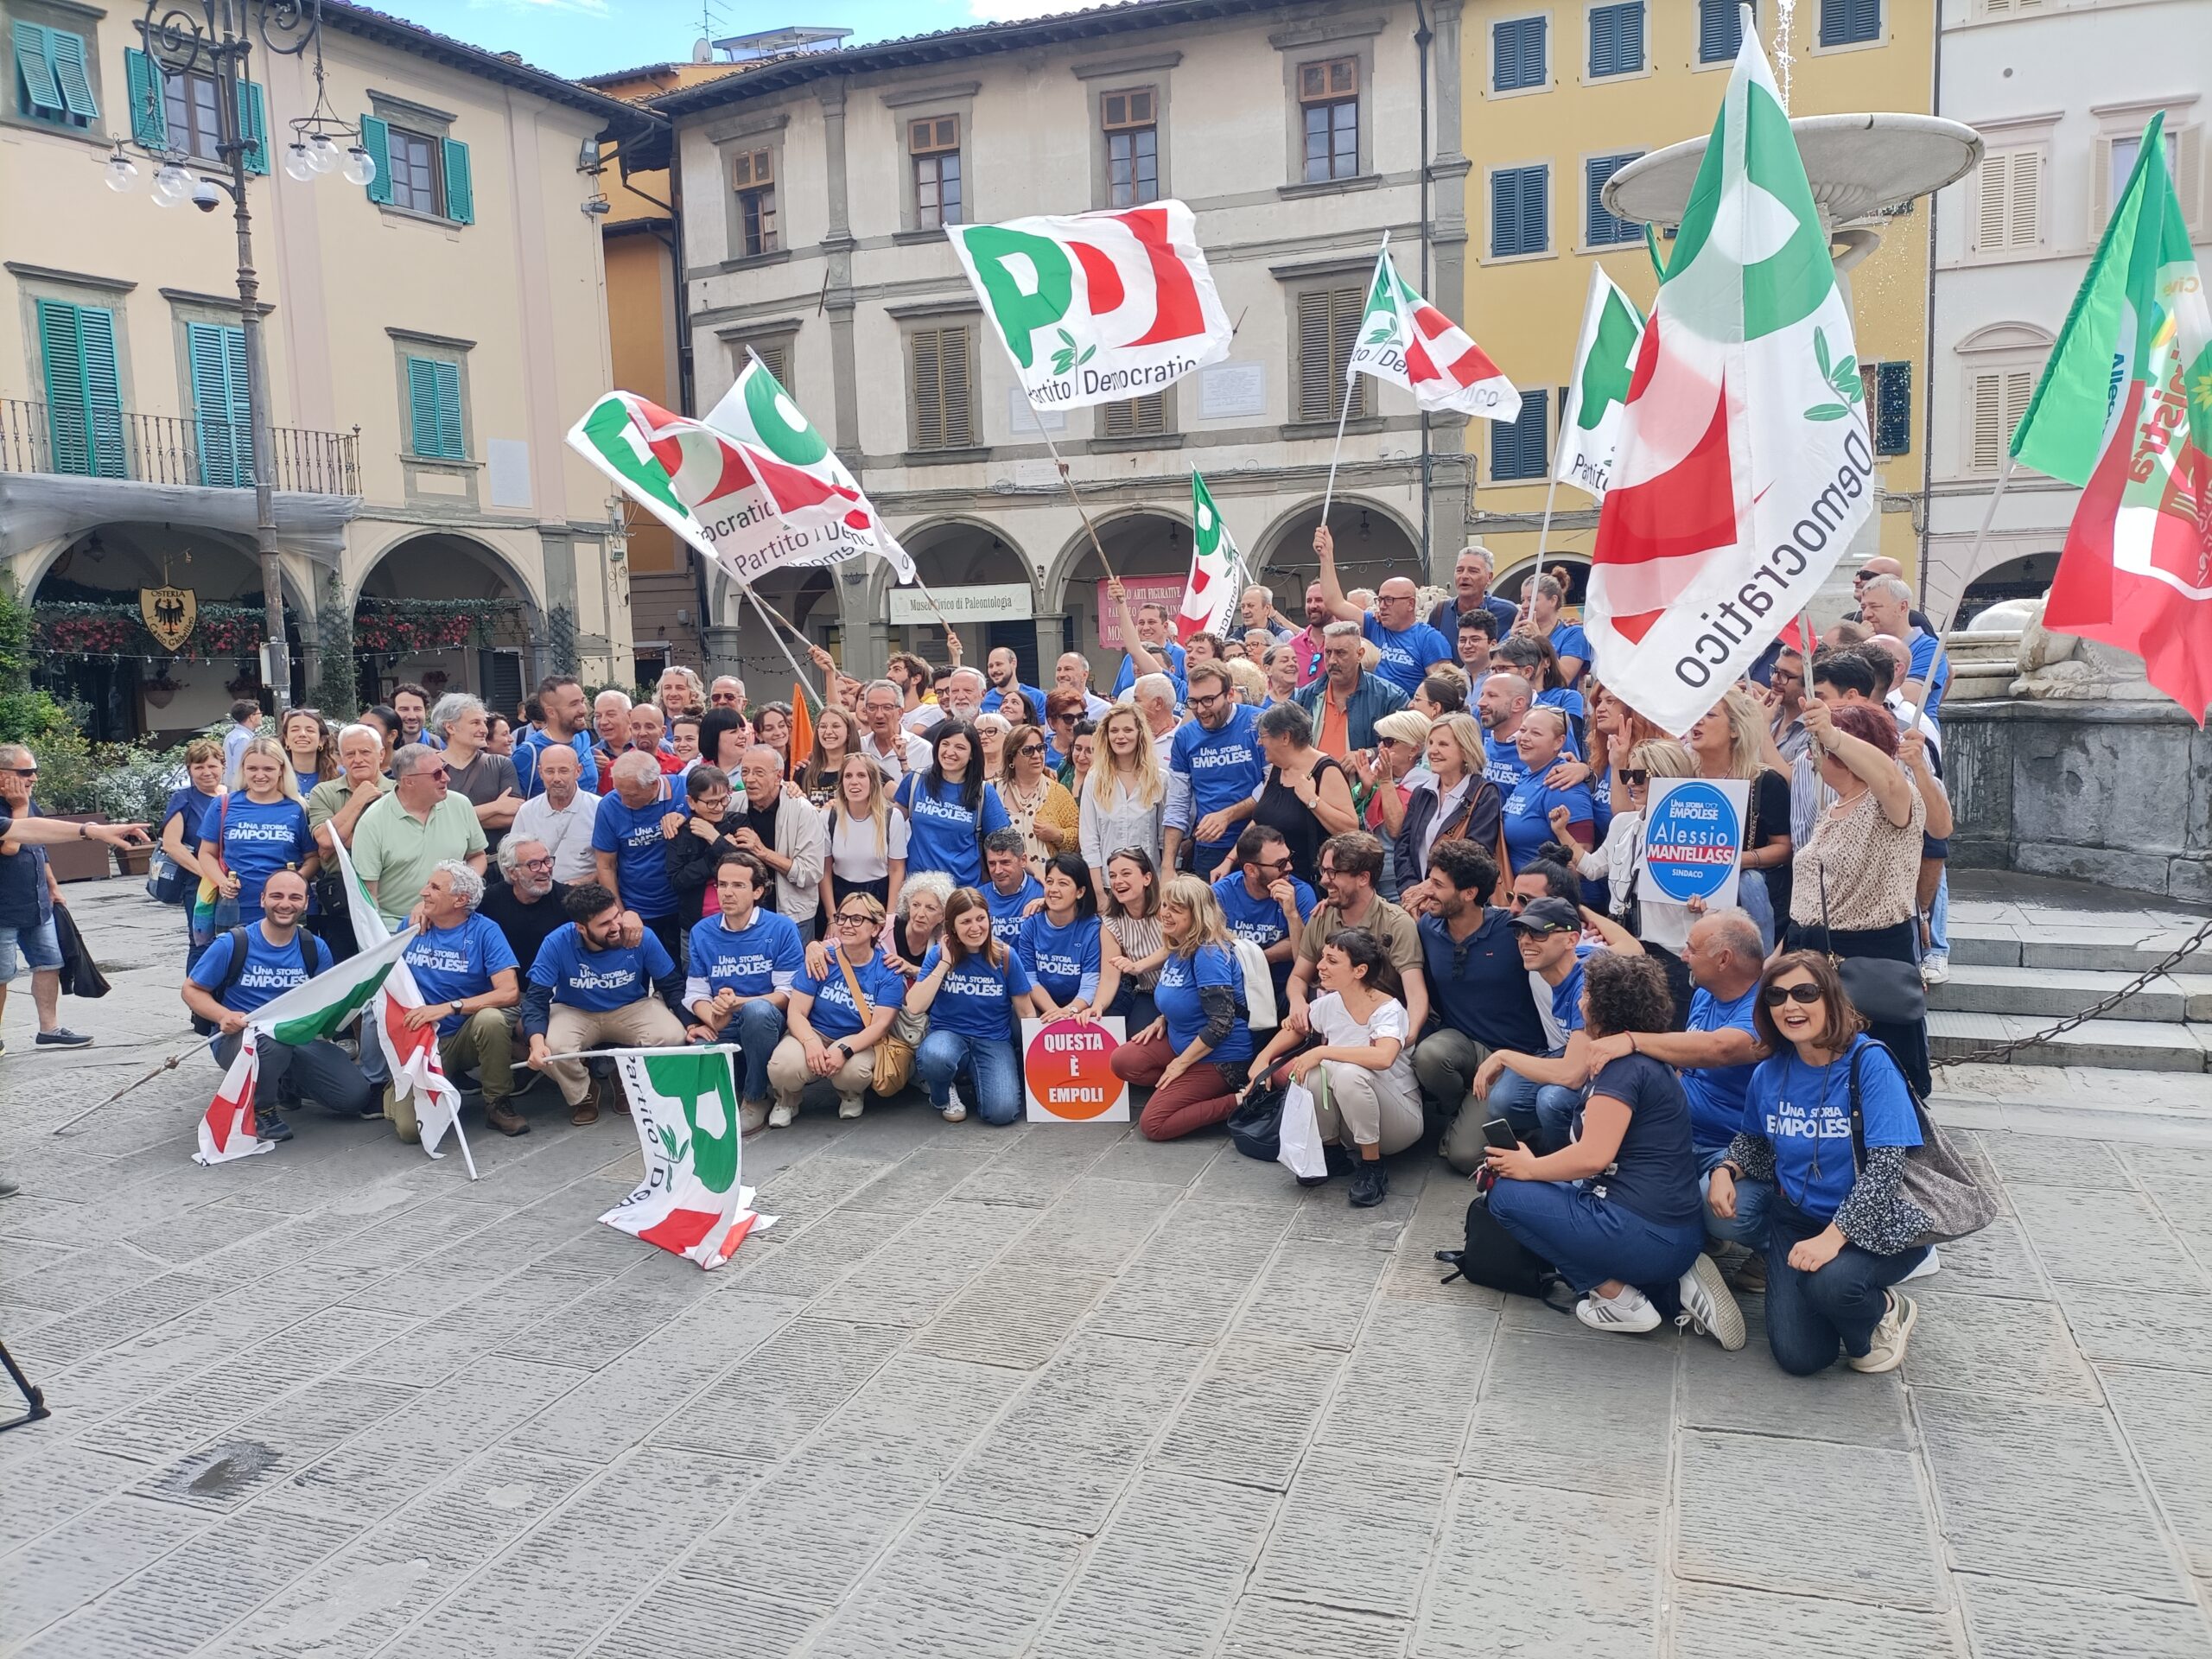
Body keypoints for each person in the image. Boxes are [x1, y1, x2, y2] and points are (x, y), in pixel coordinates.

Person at [1484, 951, 1739, 1343]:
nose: (1580, 1000)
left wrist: (1528, 1168)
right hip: (1672, 1231)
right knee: (1547, 1189)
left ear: (1605, 1006)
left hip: (1644, 1232)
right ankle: (1675, 1289)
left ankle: (1617, 1298)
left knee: (1505, 1196)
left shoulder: (1621, 1070)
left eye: (1586, 993)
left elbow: (1593, 1157)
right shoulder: (1640, 1058)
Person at [1713, 951, 1929, 1374]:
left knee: (1833, 1286)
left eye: (1804, 992)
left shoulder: (1870, 1062)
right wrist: (1725, 1169)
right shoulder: (1769, 1072)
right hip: (1797, 1219)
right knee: (1801, 1357)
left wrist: (1833, 1238)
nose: (1790, 1005)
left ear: (1830, 997)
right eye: (1776, 996)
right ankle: (1832, 1299)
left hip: (1879, 1220)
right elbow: (1754, 1141)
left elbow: (1887, 1169)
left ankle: (1885, 1309)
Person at [1584, 908, 1769, 1284]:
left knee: (1720, 1212)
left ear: (1724, 959)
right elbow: (1685, 1062)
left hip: (1731, 1148)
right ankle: (1696, 1234)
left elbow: (1720, 1049)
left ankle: (1778, 1244)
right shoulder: (1705, 994)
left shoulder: (1766, 1006)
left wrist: (1632, 1040)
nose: (1683, 956)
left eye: (1691, 949)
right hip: (1681, 1135)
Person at [1787, 698, 1931, 1094]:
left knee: (1873, 1080)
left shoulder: (1891, 800)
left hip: (1867, 962)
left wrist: (1833, 734)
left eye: (1818, 747)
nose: (1811, 755)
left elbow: (1888, 778)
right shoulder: (1834, 807)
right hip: (1812, 955)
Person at [182, 868, 374, 1138]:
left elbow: (325, 1001)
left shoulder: (315, 947)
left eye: (295, 897)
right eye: (276, 896)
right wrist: (223, 1015)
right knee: (271, 1044)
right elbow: (191, 990)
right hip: (241, 1040)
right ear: (262, 900)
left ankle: (283, 1083)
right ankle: (262, 1109)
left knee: (353, 1097)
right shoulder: (233, 943)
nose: (285, 904)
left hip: (298, 1037)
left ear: (306, 903)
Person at [1247, 925, 1421, 1205]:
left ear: (1359, 971)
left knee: (1348, 1073)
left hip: (1398, 1122)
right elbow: (1298, 1028)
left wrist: (1323, 1051)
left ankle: (1372, 1167)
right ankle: (1332, 1154)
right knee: (1314, 1072)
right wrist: (1262, 1059)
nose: (1320, 966)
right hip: (1352, 1122)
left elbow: (1383, 1057)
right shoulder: (1331, 1003)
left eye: (1332, 961)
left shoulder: (1388, 1009)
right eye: (1322, 957)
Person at [1410, 840, 1550, 1173]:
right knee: (1428, 1055)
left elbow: (1561, 934)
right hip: (1464, 1046)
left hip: (1514, 1056)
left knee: (1463, 1158)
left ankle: (1509, 1120)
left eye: (1438, 884)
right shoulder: (1427, 927)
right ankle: (1462, 1109)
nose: (1427, 890)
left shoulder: (1512, 930)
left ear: (1469, 893)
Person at [1556, 738, 1699, 1018]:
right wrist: (1562, 832)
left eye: (1639, 775)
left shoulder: (1695, 831)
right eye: (1627, 775)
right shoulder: (1622, 823)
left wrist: (1703, 905)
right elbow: (1593, 867)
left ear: (1666, 775)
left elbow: (1714, 897)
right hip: (1624, 945)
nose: (1631, 782)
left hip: (1671, 954)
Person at [523, 881, 686, 1125]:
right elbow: (536, 999)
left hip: (632, 1006)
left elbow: (672, 985)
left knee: (673, 1036)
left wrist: (691, 1024)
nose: (616, 927)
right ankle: (584, 1091)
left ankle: (631, 1080)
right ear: (581, 928)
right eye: (604, 924)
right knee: (551, 1049)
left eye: (616, 916)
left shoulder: (639, 935)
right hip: (574, 1010)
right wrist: (536, 1046)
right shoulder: (556, 942)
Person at [1108, 875, 1253, 1141]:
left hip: (1220, 1056)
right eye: (1165, 905)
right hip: (1181, 1038)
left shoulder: (1209, 954)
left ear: (1197, 915)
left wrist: (1179, 1065)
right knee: (1123, 1061)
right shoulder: (1179, 944)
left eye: (1176, 909)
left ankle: (1240, 1100)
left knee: (1154, 1125)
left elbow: (1221, 1024)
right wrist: (1163, 1018)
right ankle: (1185, 1094)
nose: (1165, 913)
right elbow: (1185, 996)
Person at [394, 861, 524, 1140]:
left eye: (434, 887)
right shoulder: (411, 925)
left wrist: (449, 1008)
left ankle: (497, 1103)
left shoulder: (485, 931)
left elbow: (509, 992)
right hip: (418, 1041)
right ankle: (396, 1087)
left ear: (461, 900)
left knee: (491, 1019)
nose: (423, 892)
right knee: (410, 1132)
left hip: (460, 1035)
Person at [1470, 895, 1605, 1152]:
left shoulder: (1588, 984)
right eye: (1521, 932)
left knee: (1552, 1100)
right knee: (1503, 1100)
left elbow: (1572, 1075)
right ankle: (1546, 1142)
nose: (1525, 941)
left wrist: (1503, 1057)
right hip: (1576, 1056)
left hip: (1618, 1074)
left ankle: (1567, 1165)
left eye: (1539, 933)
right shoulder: (1561, 966)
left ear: (1571, 939)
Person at [684, 850, 805, 1130]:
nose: (727, 893)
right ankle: (724, 1098)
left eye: (738, 885)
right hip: (723, 1019)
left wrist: (738, 1003)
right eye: (722, 884)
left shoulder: (781, 928)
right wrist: (713, 1017)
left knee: (757, 1011)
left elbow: (787, 994)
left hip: (767, 1020)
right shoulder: (701, 931)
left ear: (757, 891)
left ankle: (755, 1098)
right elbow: (696, 992)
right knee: (696, 1055)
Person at [769, 892, 906, 1122]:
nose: (846, 925)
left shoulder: (887, 970)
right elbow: (796, 1012)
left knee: (854, 1072)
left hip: (857, 1036)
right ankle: (786, 1100)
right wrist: (810, 1043)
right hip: (815, 1031)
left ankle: (851, 1095)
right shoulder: (822, 959)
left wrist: (845, 1050)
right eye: (842, 918)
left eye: (857, 919)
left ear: (875, 928)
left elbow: (880, 1026)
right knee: (782, 1065)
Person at [909, 887, 1039, 1124]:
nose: (975, 927)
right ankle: (943, 1093)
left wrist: (1039, 1058)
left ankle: (979, 1080)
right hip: (948, 1035)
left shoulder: (1006, 956)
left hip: (993, 1039)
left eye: (980, 919)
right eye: (966, 921)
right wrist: (945, 963)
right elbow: (915, 1006)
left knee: (1002, 1113)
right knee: (935, 1056)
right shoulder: (937, 955)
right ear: (952, 926)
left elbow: (1026, 1011)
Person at [1285, 831, 1427, 1039]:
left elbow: (1415, 994)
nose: (1324, 880)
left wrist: (1407, 1038)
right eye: (1323, 870)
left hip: (1381, 1026)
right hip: (1332, 1023)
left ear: (1363, 878)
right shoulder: (1321, 916)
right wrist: (1298, 1002)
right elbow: (1298, 976)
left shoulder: (1396, 923)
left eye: (1333, 872)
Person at [1685, 688, 1794, 948]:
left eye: (1710, 715)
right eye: (1697, 713)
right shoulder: (1680, 778)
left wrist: (1735, 861)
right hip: (1686, 897)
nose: (1698, 721)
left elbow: (1784, 847)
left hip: (1744, 904)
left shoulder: (1765, 781)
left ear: (1735, 729)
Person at [0, 745, 92, 1049]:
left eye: (34, 771)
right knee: (2, 974)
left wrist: (53, 887)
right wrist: (19, 807)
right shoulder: (16, 806)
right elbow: (11, 846)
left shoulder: (28, 802)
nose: (33, 778)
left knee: (48, 962)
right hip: (3, 908)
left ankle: (49, 1028)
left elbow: (39, 846)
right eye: (26, 772)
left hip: (37, 902)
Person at [350, 745, 486, 930]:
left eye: (445, 769)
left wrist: (452, 893)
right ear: (408, 782)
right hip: (398, 928)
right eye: (436, 774)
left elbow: (477, 856)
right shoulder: (372, 823)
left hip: (455, 923)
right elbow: (368, 895)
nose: (446, 778)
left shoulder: (460, 805)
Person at [1313, 523, 1454, 697]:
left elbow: (1444, 691)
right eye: (1380, 600)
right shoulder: (1373, 625)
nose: (1382, 606)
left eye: (1389, 600)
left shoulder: (1429, 639)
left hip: (1404, 712)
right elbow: (1334, 603)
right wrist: (1326, 555)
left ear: (1410, 604)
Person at [197, 735, 319, 932]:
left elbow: (313, 857)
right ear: (243, 769)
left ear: (281, 770)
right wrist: (222, 882)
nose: (260, 775)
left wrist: (295, 879)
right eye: (252, 768)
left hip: (288, 910)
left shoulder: (298, 808)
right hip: (236, 909)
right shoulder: (223, 805)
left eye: (268, 769)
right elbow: (206, 853)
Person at [1163, 662, 1264, 880]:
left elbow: (1274, 785)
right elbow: (1178, 803)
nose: (1200, 710)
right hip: (1211, 847)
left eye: (1208, 700)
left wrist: (1228, 815)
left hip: (1259, 841)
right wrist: (1168, 867)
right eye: (1193, 701)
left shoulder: (1258, 722)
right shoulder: (1185, 736)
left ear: (1230, 694)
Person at [1249, 702, 1359, 889]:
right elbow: (1259, 821)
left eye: (1263, 736)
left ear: (1285, 737)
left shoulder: (1326, 770)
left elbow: (1350, 828)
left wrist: (1312, 800)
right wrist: (1230, 859)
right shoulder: (1278, 767)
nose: (1259, 742)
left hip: (1308, 884)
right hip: (1270, 882)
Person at [1393, 713, 1502, 900]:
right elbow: (1403, 847)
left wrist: (1429, 889)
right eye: (1431, 743)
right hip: (1415, 899)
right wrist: (1410, 890)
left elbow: (1475, 855)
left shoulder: (1485, 795)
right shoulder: (1421, 792)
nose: (1432, 751)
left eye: (1443, 744)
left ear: (1466, 750)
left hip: (1456, 902)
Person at [893, 719, 1009, 890]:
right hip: (919, 889)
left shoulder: (983, 792)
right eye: (945, 744)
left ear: (972, 754)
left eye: (960, 747)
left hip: (963, 891)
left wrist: (1034, 872)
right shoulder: (915, 781)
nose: (950, 752)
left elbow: (1005, 843)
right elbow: (889, 825)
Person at [592, 750, 683, 962]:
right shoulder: (609, 806)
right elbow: (605, 865)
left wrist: (685, 819)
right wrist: (619, 914)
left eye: (631, 795)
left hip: (681, 904)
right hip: (636, 908)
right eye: (619, 792)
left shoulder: (683, 789)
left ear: (654, 784)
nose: (624, 801)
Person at [1212, 823, 1315, 1006]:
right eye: (1280, 864)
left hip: (1282, 986)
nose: (1289, 867)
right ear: (1251, 870)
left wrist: (1292, 915)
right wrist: (1272, 952)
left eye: (1289, 858)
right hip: (1233, 985)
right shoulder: (1221, 893)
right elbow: (1209, 944)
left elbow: (1305, 956)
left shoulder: (1301, 892)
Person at [732, 746, 826, 936]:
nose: (750, 779)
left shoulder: (802, 811)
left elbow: (810, 873)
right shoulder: (733, 804)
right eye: (745, 772)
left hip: (792, 916)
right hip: (744, 915)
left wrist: (762, 852)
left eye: (759, 773)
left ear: (778, 776)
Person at [1078, 705, 1166, 894]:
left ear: (1140, 733)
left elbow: (1164, 841)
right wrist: (1099, 894)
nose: (1120, 736)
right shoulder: (1094, 779)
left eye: (1127, 730)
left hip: (1149, 887)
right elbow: (1089, 840)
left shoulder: (1160, 779)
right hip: (1108, 886)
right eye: (1114, 730)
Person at [1295, 620, 1410, 760]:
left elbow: (1405, 746)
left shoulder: (1390, 697)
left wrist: (1368, 754)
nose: (1332, 661)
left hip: (1364, 775)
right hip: (1312, 774)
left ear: (1360, 654)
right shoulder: (1306, 696)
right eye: (1328, 652)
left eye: (1341, 653)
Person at [1501, 708, 1594, 874]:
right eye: (1523, 730)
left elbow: (1582, 857)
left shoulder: (1562, 783)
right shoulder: (1529, 772)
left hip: (1547, 888)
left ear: (1559, 742)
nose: (1524, 738)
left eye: (1536, 733)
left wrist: (1542, 888)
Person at [160, 739, 228, 961]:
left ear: (223, 766)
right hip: (199, 885)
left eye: (212, 766)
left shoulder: (235, 797)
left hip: (235, 881)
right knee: (202, 944)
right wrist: (208, 874)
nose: (206, 772)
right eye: (199, 767)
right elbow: (172, 844)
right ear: (189, 770)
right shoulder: (183, 799)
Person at [430, 694, 523, 853]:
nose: (484, 730)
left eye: (484, 723)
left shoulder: (501, 764)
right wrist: (496, 807)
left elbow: (512, 815)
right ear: (450, 727)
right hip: (446, 862)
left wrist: (453, 819)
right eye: (475, 723)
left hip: (494, 860)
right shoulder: (431, 768)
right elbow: (430, 819)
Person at [1016, 853, 1101, 1020]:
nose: (1053, 889)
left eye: (1063, 883)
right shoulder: (1031, 924)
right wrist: (1056, 1013)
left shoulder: (1093, 928)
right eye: (1049, 882)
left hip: (1081, 1007)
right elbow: (1029, 978)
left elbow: (1090, 984)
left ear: (1080, 892)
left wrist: (1070, 1010)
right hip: (1045, 1004)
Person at [1090, 845, 1166, 1031]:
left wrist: (1138, 966)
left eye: (1126, 874)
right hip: (1149, 993)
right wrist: (1097, 1006)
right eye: (1112, 876)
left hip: (1184, 990)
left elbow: (1177, 948)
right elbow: (1109, 978)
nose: (1118, 881)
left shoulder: (1166, 908)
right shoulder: (1111, 922)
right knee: (1135, 1039)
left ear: (1147, 878)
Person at [507, 741, 601, 884]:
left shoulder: (599, 808)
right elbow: (512, 859)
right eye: (550, 771)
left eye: (564, 771)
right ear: (540, 772)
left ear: (578, 771)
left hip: (585, 893)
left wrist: (583, 882)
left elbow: (612, 863)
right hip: (539, 892)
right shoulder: (527, 811)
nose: (556, 778)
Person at [663, 764, 742, 930]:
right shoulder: (679, 832)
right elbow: (678, 881)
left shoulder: (738, 822)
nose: (719, 807)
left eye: (724, 799)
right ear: (691, 802)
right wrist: (717, 849)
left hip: (739, 919)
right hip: (696, 923)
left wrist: (714, 837)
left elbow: (746, 868)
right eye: (711, 803)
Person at [995, 721, 1078, 876]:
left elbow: (1078, 838)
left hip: (1049, 881)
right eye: (1028, 751)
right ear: (1011, 758)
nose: (1036, 755)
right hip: (1004, 880)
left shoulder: (1058, 792)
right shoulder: (994, 790)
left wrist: (1057, 835)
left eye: (1041, 748)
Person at [1859, 575, 1948, 717]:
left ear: (1902, 607)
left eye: (1875, 607)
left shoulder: (1928, 648)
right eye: (1863, 607)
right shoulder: (1862, 644)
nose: (1866, 614)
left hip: (1911, 728)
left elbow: (1907, 696)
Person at [480, 837, 573, 973]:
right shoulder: (488, 901)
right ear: (512, 872)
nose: (545, 869)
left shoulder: (569, 900)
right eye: (534, 864)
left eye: (547, 861)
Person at [513, 675, 600, 798]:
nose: (583, 710)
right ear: (551, 712)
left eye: (582, 701)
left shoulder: (583, 736)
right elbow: (516, 803)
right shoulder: (528, 753)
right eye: (574, 704)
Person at [1103, 582, 1188, 698]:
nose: (1146, 628)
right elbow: (1116, 696)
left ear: (1165, 626)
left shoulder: (1182, 656)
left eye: (1151, 622)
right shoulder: (1129, 658)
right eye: (1141, 623)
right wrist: (1120, 603)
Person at [1430, 543, 1519, 640]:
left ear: (1489, 578)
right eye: (1459, 570)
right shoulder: (1440, 612)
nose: (1464, 576)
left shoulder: (1507, 613)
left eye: (1473, 571)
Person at [1515, 573, 1589, 686]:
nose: (1524, 605)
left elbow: (1564, 679)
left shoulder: (1572, 633)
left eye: (1531, 600)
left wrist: (1539, 641)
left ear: (1553, 600)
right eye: (1522, 600)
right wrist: (1511, 640)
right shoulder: (1517, 633)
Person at [980, 828, 1044, 949]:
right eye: (992, 864)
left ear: (1023, 860)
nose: (998, 871)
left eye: (1005, 862)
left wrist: (1049, 903)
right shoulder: (978, 898)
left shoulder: (1043, 893)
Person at [859, 678, 931, 781]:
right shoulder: (860, 746)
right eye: (872, 707)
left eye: (887, 708)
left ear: (900, 713)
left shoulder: (922, 749)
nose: (879, 715)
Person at [980, 645, 1046, 724]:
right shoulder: (984, 700)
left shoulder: (1037, 697)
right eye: (990, 666)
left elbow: (1043, 728)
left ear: (1013, 663)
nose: (994, 670)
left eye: (999, 664)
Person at [279, 708, 336, 791]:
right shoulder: (275, 776)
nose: (302, 734)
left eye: (310, 730)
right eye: (295, 730)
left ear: (321, 740)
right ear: (286, 739)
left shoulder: (338, 776)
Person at [1131, 675, 1180, 769]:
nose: (1132, 705)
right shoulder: (1131, 735)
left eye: (1137, 700)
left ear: (1158, 703)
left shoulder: (1186, 738)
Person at [589, 689, 634, 788]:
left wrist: (610, 768)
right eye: (598, 716)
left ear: (630, 716)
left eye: (610, 715)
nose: (603, 722)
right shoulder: (591, 756)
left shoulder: (651, 748)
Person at [1054, 652, 1114, 722]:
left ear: (1084, 675)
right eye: (1058, 669)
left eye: (1068, 669)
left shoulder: (1104, 709)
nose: (1061, 674)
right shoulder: (1051, 707)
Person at [627, 703, 684, 778]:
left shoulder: (677, 766)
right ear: (631, 731)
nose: (642, 733)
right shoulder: (617, 767)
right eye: (636, 727)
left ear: (663, 731)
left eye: (649, 727)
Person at [222, 698, 263, 779]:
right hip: (240, 784)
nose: (261, 716)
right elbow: (241, 768)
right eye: (259, 713)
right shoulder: (243, 739)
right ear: (252, 717)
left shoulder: (233, 735)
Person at [391, 683, 435, 748]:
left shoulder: (440, 746)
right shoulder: (381, 747)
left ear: (426, 712)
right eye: (404, 709)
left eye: (417, 709)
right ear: (392, 712)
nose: (411, 716)